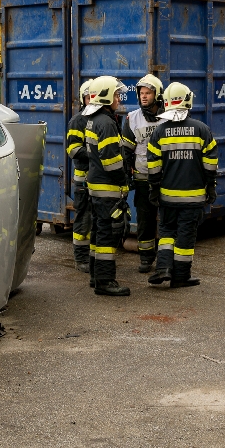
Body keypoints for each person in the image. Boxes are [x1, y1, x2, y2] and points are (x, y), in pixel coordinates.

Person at [146, 82, 217, 288]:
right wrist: (211, 186)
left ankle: (163, 268)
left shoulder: (159, 132)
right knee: (185, 235)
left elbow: (153, 166)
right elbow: (210, 164)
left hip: (167, 197)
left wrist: (154, 189)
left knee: (166, 232)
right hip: (193, 197)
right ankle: (181, 276)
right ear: (188, 101)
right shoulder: (202, 130)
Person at [83, 75, 132, 296]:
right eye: (116, 94)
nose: (119, 98)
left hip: (96, 185)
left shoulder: (93, 119)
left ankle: (96, 276)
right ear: (105, 97)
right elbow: (111, 161)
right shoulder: (106, 122)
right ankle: (105, 281)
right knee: (107, 234)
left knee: (98, 231)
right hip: (107, 187)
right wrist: (124, 181)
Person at [121, 74, 165, 273]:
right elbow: (126, 151)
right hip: (143, 179)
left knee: (167, 220)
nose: (144, 96)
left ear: (157, 95)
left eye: (148, 93)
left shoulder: (168, 117)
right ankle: (146, 258)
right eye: (141, 93)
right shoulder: (132, 118)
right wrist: (126, 176)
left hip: (166, 179)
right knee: (145, 220)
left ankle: (166, 258)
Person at [65, 79, 93, 274]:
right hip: (83, 180)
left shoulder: (105, 119)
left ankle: (93, 256)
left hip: (100, 179)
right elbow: (73, 150)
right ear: (83, 99)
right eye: (88, 97)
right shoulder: (77, 121)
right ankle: (81, 258)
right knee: (83, 218)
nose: (92, 100)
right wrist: (97, 152)